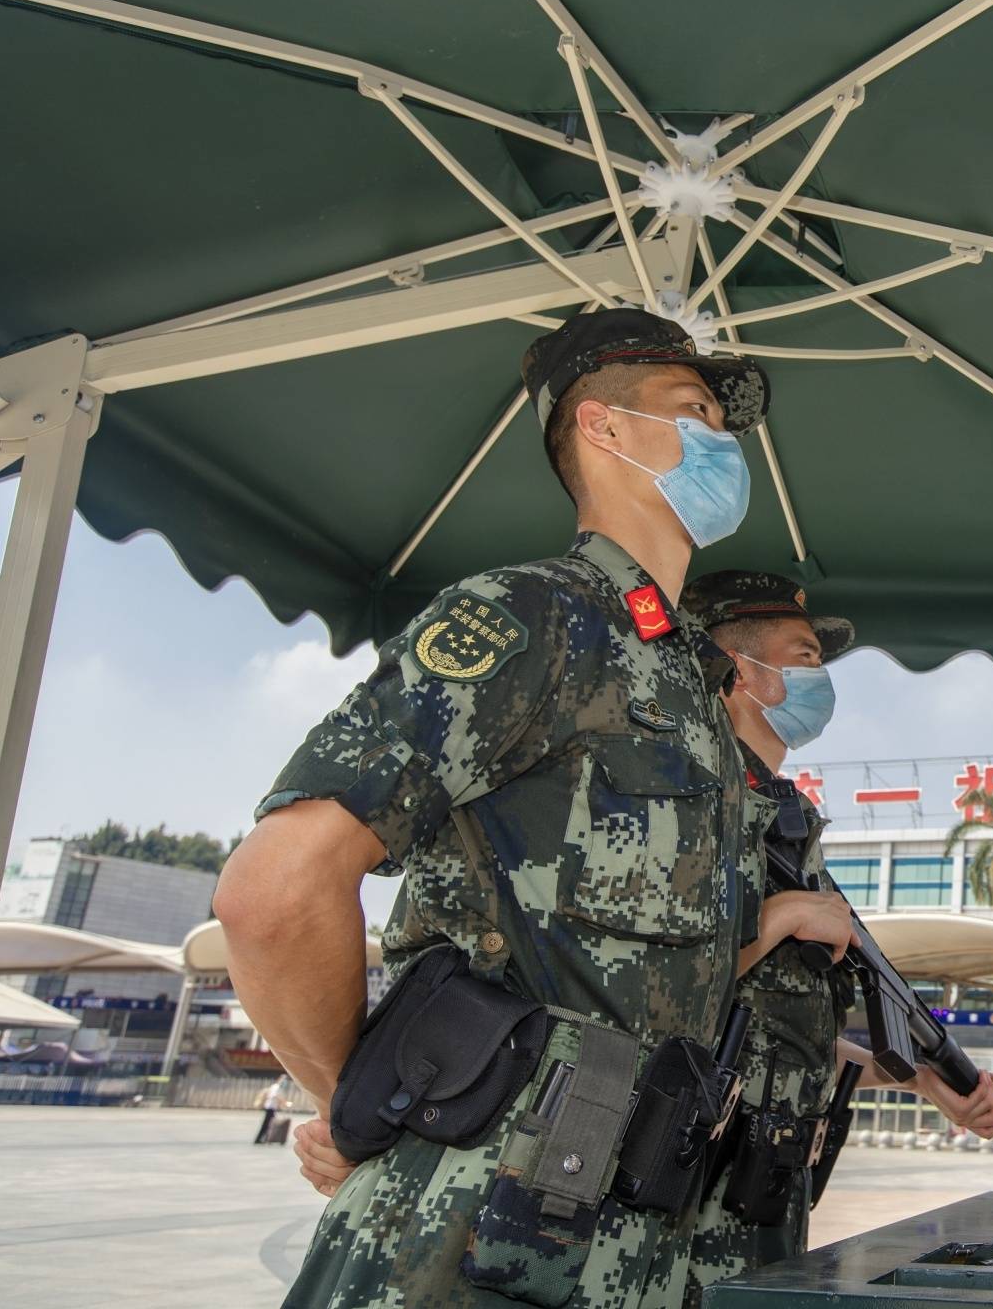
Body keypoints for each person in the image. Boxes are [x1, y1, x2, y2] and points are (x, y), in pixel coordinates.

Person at [212, 309, 858, 1308]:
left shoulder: (686, 683)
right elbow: (273, 891)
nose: (723, 444)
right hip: (464, 1224)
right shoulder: (533, 615)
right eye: (695, 413)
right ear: (604, 427)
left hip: (629, 1231)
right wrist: (362, 1107)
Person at [682, 571, 993, 1284]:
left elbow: (778, 1034)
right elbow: (641, 987)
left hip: (757, 1192)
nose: (820, 678)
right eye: (804, 657)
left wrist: (925, 1082)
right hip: (681, 1202)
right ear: (739, 671)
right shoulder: (688, 798)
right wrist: (778, 918)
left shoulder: (783, 817)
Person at [253, 1075, 289, 1145]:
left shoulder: (277, 1087)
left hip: (272, 1108)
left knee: (269, 1124)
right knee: (266, 1124)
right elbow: (274, 1096)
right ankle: (259, 1139)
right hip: (270, 1107)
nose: (284, 1082)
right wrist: (284, 1102)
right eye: (284, 1080)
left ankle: (265, 1138)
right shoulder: (275, 1087)